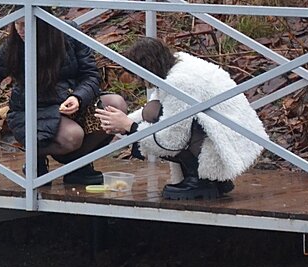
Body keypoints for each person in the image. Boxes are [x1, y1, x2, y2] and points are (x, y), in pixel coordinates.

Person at [95, 36, 266, 200]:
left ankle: (201, 179)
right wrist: (121, 124)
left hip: (227, 142)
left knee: (163, 123)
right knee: (152, 111)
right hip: (234, 132)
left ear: (147, 69)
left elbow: (171, 140)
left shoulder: (180, 82)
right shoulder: (178, 64)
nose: (137, 80)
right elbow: (158, 105)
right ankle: (212, 179)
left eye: (137, 75)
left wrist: (129, 127)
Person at [0, 17, 128, 185]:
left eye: (26, 24)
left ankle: (78, 166)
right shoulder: (16, 43)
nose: (21, 30)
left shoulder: (68, 32)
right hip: (33, 111)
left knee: (116, 105)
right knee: (73, 136)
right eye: (17, 24)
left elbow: (91, 75)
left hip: (73, 103)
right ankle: (36, 159)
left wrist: (78, 97)